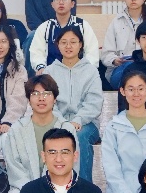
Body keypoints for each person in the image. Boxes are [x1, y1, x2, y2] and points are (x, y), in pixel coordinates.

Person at [43, 26, 103, 181]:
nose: (68, 46)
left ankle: (84, 187)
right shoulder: (49, 72)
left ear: (80, 44)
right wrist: (62, 122)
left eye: (73, 42)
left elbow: (94, 102)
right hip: (56, 122)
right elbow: (47, 101)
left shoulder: (91, 71)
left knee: (80, 136)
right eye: (64, 42)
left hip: (86, 124)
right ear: (57, 45)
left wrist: (78, 120)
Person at [29, 0, 100, 72]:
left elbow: (92, 52)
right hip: (51, 74)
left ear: (72, 3)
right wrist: (41, 68)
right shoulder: (45, 27)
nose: (61, 2)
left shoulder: (82, 25)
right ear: (52, 4)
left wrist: (85, 71)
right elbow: (37, 53)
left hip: (78, 73)